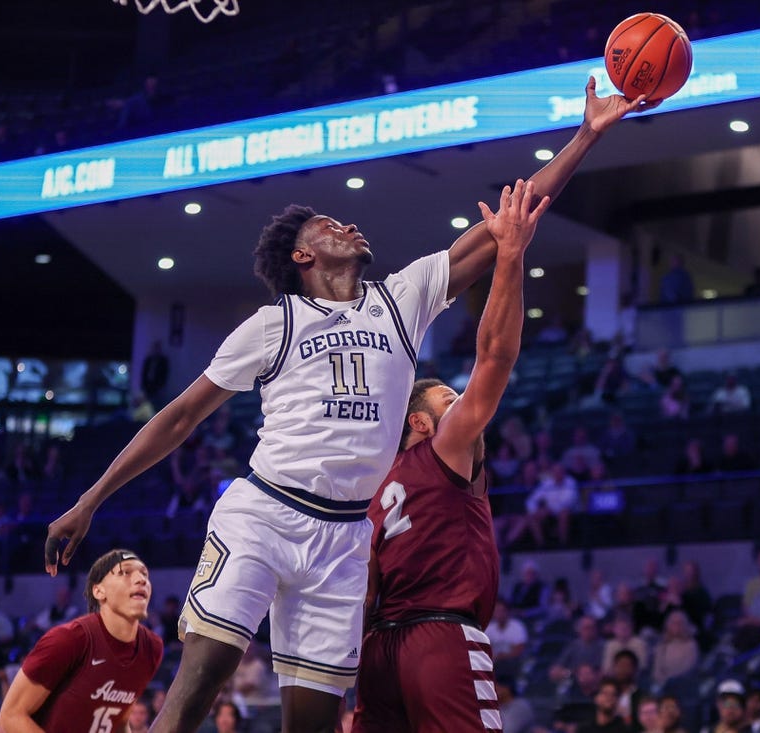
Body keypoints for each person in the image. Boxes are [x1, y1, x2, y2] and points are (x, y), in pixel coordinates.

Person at [44, 77, 651, 733]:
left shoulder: (400, 298)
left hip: (343, 542)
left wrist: (586, 135)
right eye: (331, 225)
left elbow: (507, 225)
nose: (350, 224)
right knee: (202, 683)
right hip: (266, 512)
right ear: (304, 255)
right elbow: (181, 416)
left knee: (311, 724)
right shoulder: (272, 322)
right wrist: (91, 498)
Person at [354, 175, 544, 728]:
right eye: (448, 398)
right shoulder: (446, 448)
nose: (459, 404)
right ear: (420, 420)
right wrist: (510, 257)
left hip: (376, 650)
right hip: (439, 637)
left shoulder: (371, 484)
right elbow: (494, 360)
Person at [0, 549, 163, 732]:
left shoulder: (151, 648)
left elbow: (120, 719)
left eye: (144, 574)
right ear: (99, 591)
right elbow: (10, 715)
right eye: (125, 572)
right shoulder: (69, 640)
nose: (141, 579)